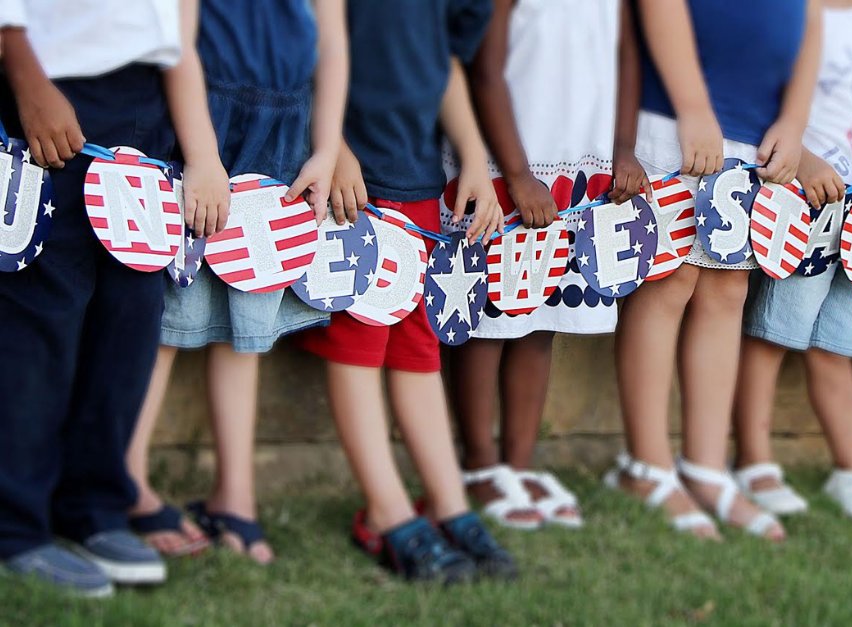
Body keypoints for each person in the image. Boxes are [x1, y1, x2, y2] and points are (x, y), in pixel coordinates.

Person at [296, 0, 517, 582]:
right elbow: (313, 44)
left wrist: (472, 156)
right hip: (353, 185)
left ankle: (449, 504)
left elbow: (441, 59)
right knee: (359, 344)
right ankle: (386, 512)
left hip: (418, 182)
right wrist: (334, 149)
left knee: (419, 348)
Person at [0, 0, 214, 598]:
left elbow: (179, 41)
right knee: (42, 321)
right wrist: (28, 82)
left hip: (148, 117)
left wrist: (203, 155)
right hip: (51, 96)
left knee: (129, 323)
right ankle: (16, 522)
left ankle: (93, 506)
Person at [124, 0, 348, 564]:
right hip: (203, 133)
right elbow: (180, 41)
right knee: (167, 325)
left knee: (245, 331)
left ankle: (234, 495)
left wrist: (326, 149)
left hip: (281, 146)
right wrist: (201, 157)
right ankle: (126, 479)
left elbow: (333, 45)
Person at [605, 0, 821, 541]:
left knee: (728, 290)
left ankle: (705, 465)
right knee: (667, 281)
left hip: (760, 131)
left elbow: (812, 19)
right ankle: (646, 466)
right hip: (680, 118)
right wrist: (694, 106)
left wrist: (795, 122)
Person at [449, 0, 650, 531]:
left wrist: (623, 149)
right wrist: (515, 174)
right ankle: (478, 463)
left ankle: (518, 464)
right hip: (506, 161)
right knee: (487, 321)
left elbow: (627, 56)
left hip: (577, 164)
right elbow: (484, 69)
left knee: (541, 320)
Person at [735, 0, 852, 534]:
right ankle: (753, 458)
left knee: (836, 342)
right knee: (774, 336)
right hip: (804, 204)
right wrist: (805, 161)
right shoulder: (801, 11)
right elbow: (770, 93)